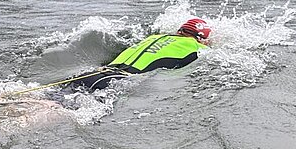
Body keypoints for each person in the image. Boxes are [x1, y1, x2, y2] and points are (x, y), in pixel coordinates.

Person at [69, 17, 212, 90]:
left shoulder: (154, 37)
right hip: (116, 82)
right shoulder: (197, 47)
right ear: (200, 39)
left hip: (94, 74)